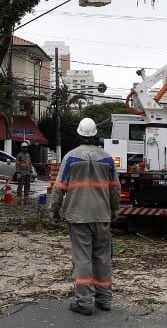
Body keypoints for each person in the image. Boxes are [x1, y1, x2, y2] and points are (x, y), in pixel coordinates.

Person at [51, 117, 120, 316]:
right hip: (102, 216)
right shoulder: (107, 158)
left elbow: (59, 188)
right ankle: (104, 298)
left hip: (78, 216)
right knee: (102, 257)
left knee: (82, 259)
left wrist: (54, 210)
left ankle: (84, 301)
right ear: (95, 134)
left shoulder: (71, 157)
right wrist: (114, 211)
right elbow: (115, 189)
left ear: (79, 134)